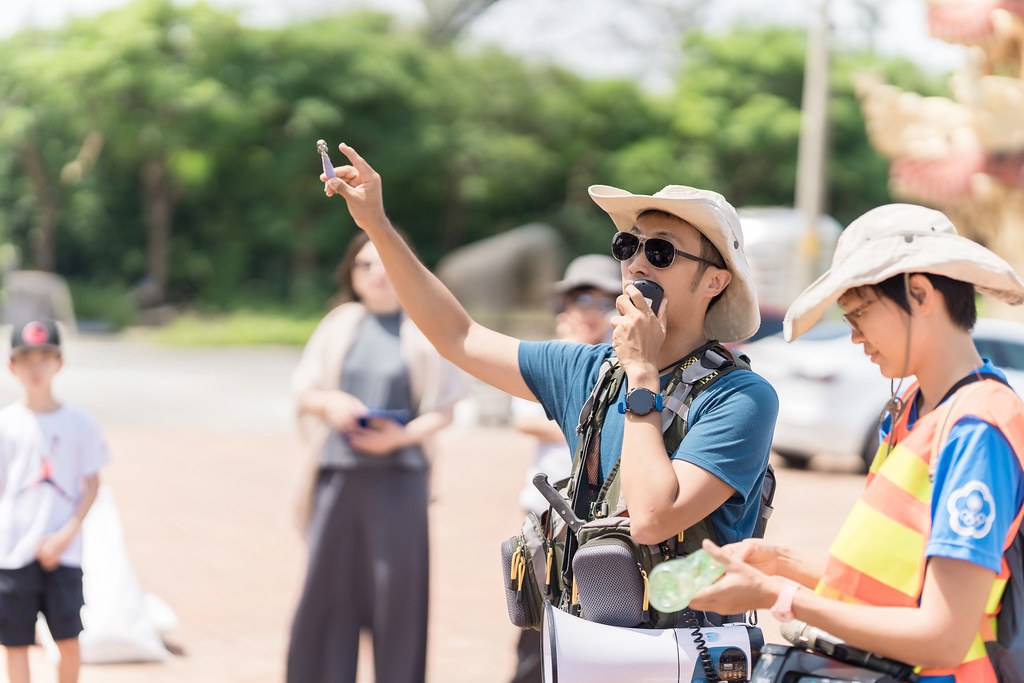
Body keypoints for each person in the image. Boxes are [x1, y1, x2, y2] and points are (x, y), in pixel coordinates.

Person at [320, 144, 777, 613]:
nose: (637, 263)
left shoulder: (740, 397)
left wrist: (642, 374)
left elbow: (652, 519)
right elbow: (458, 336)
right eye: (628, 244)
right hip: (583, 641)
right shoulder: (589, 369)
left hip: (690, 654)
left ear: (714, 282)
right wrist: (376, 224)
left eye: (660, 250)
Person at [688, 203, 1024, 681]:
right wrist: (779, 562)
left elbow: (944, 635)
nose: (855, 336)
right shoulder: (913, 405)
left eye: (861, 313)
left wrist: (778, 597)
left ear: (920, 293)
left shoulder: (978, 428)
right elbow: (887, 580)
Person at [286, 230, 465, 683]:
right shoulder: (339, 322)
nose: (375, 274)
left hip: (400, 482)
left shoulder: (423, 326)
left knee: (398, 601)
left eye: (383, 263)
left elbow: (445, 409)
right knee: (327, 597)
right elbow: (303, 391)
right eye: (364, 265)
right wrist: (331, 403)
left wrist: (397, 438)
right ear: (351, 274)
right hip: (337, 478)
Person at [509, 253, 621, 683]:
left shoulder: (628, 362)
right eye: (581, 299)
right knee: (535, 628)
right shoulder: (555, 357)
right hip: (545, 513)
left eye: (604, 300)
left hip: (606, 522)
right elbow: (526, 419)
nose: (592, 311)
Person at [0, 319, 111, 683]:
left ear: (59, 363)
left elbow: (92, 484)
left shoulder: (80, 422)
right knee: (15, 645)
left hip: (64, 554)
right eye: (26, 358)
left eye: (45, 357)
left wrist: (66, 534)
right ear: (11, 366)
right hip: (13, 554)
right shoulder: (7, 424)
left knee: (69, 642)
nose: (36, 367)